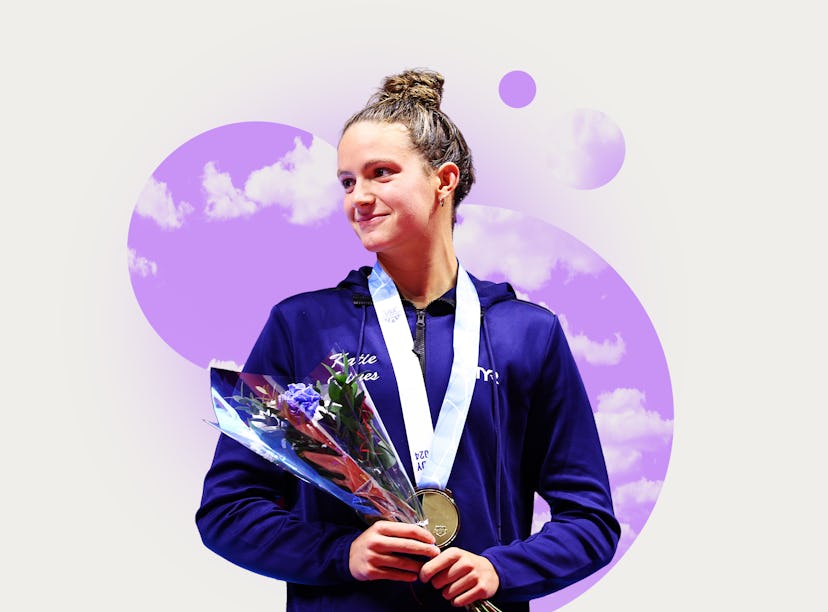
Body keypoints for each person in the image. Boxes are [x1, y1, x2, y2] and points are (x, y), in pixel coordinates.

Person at [196, 69, 620, 611]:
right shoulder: (301, 325)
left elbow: (590, 520)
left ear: (444, 181)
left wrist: (501, 570)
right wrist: (342, 553)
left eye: (381, 173)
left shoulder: (528, 333)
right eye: (347, 182)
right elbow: (228, 510)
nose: (359, 197)